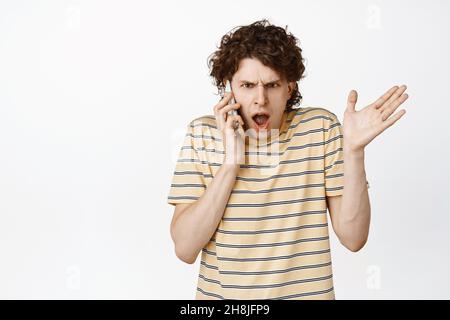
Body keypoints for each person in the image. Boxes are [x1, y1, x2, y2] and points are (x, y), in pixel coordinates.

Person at [167, 19, 409, 300]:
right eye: (247, 85)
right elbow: (185, 249)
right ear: (228, 86)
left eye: (272, 85)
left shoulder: (320, 127)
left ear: (289, 88)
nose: (261, 99)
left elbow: (354, 238)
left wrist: (354, 151)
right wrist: (231, 162)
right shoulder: (202, 134)